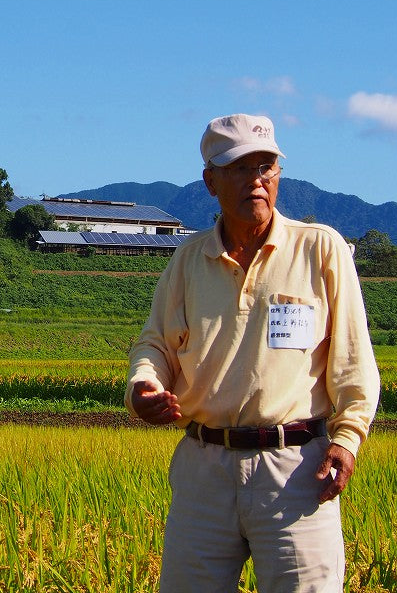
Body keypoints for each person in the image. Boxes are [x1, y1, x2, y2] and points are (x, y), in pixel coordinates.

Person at [125, 113, 380, 593]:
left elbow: (353, 362)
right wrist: (144, 386)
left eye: (267, 167)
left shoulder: (320, 250)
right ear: (210, 182)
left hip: (296, 471)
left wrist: (347, 440)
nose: (257, 180)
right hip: (205, 466)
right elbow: (155, 344)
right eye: (241, 168)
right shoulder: (188, 258)